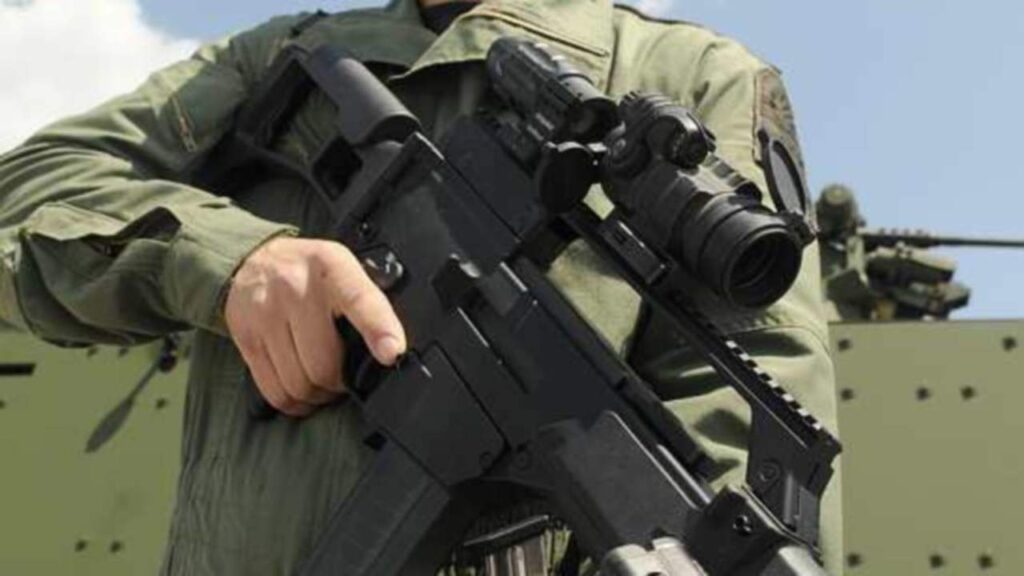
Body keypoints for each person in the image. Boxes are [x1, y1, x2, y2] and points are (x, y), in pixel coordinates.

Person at [0, 0, 843, 574]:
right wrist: (231, 261)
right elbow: (29, 190)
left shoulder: (690, 77)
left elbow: (745, 405)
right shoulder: (283, 59)